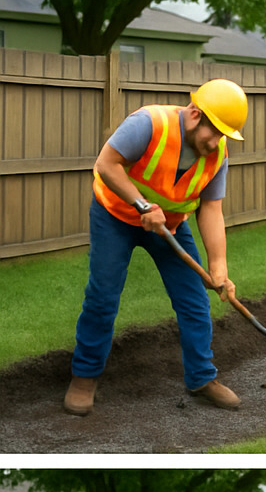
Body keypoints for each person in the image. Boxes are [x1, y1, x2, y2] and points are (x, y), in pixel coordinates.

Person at [66, 79, 249, 416]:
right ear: (195, 114)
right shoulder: (149, 124)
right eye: (216, 131)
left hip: (171, 227)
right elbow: (107, 164)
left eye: (225, 135)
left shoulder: (217, 155)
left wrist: (219, 268)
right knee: (103, 295)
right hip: (116, 216)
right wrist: (141, 206)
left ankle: (201, 377)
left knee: (194, 300)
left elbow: (211, 209)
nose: (218, 142)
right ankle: (84, 376)